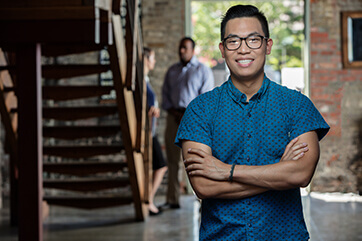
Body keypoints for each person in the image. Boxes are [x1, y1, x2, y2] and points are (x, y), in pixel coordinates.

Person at [175, 5, 330, 241]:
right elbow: (204, 187)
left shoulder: (297, 105)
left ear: (267, 45)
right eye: (233, 41)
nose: (244, 49)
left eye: (253, 40)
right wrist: (278, 175)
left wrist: (227, 171)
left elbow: (301, 175)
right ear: (223, 49)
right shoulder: (200, 110)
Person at [161, 37, 214, 209]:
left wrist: (188, 115)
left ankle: (203, 200)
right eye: (180, 48)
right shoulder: (172, 71)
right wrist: (175, 113)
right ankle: (172, 199)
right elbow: (165, 96)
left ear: (193, 50)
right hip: (173, 118)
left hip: (194, 121)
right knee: (172, 161)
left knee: (197, 161)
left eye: (185, 48)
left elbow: (205, 98)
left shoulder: (203, 70)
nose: (181, 51)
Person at [144, 47, 168, 216]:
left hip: (151, 131)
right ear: (145, 59)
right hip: (147, 133)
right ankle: (149, 201)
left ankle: (148, 201)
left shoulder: (145, 80)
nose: (154, 61)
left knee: (158, 166)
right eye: (152, 58)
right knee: (161, 166)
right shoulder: (141, 82)